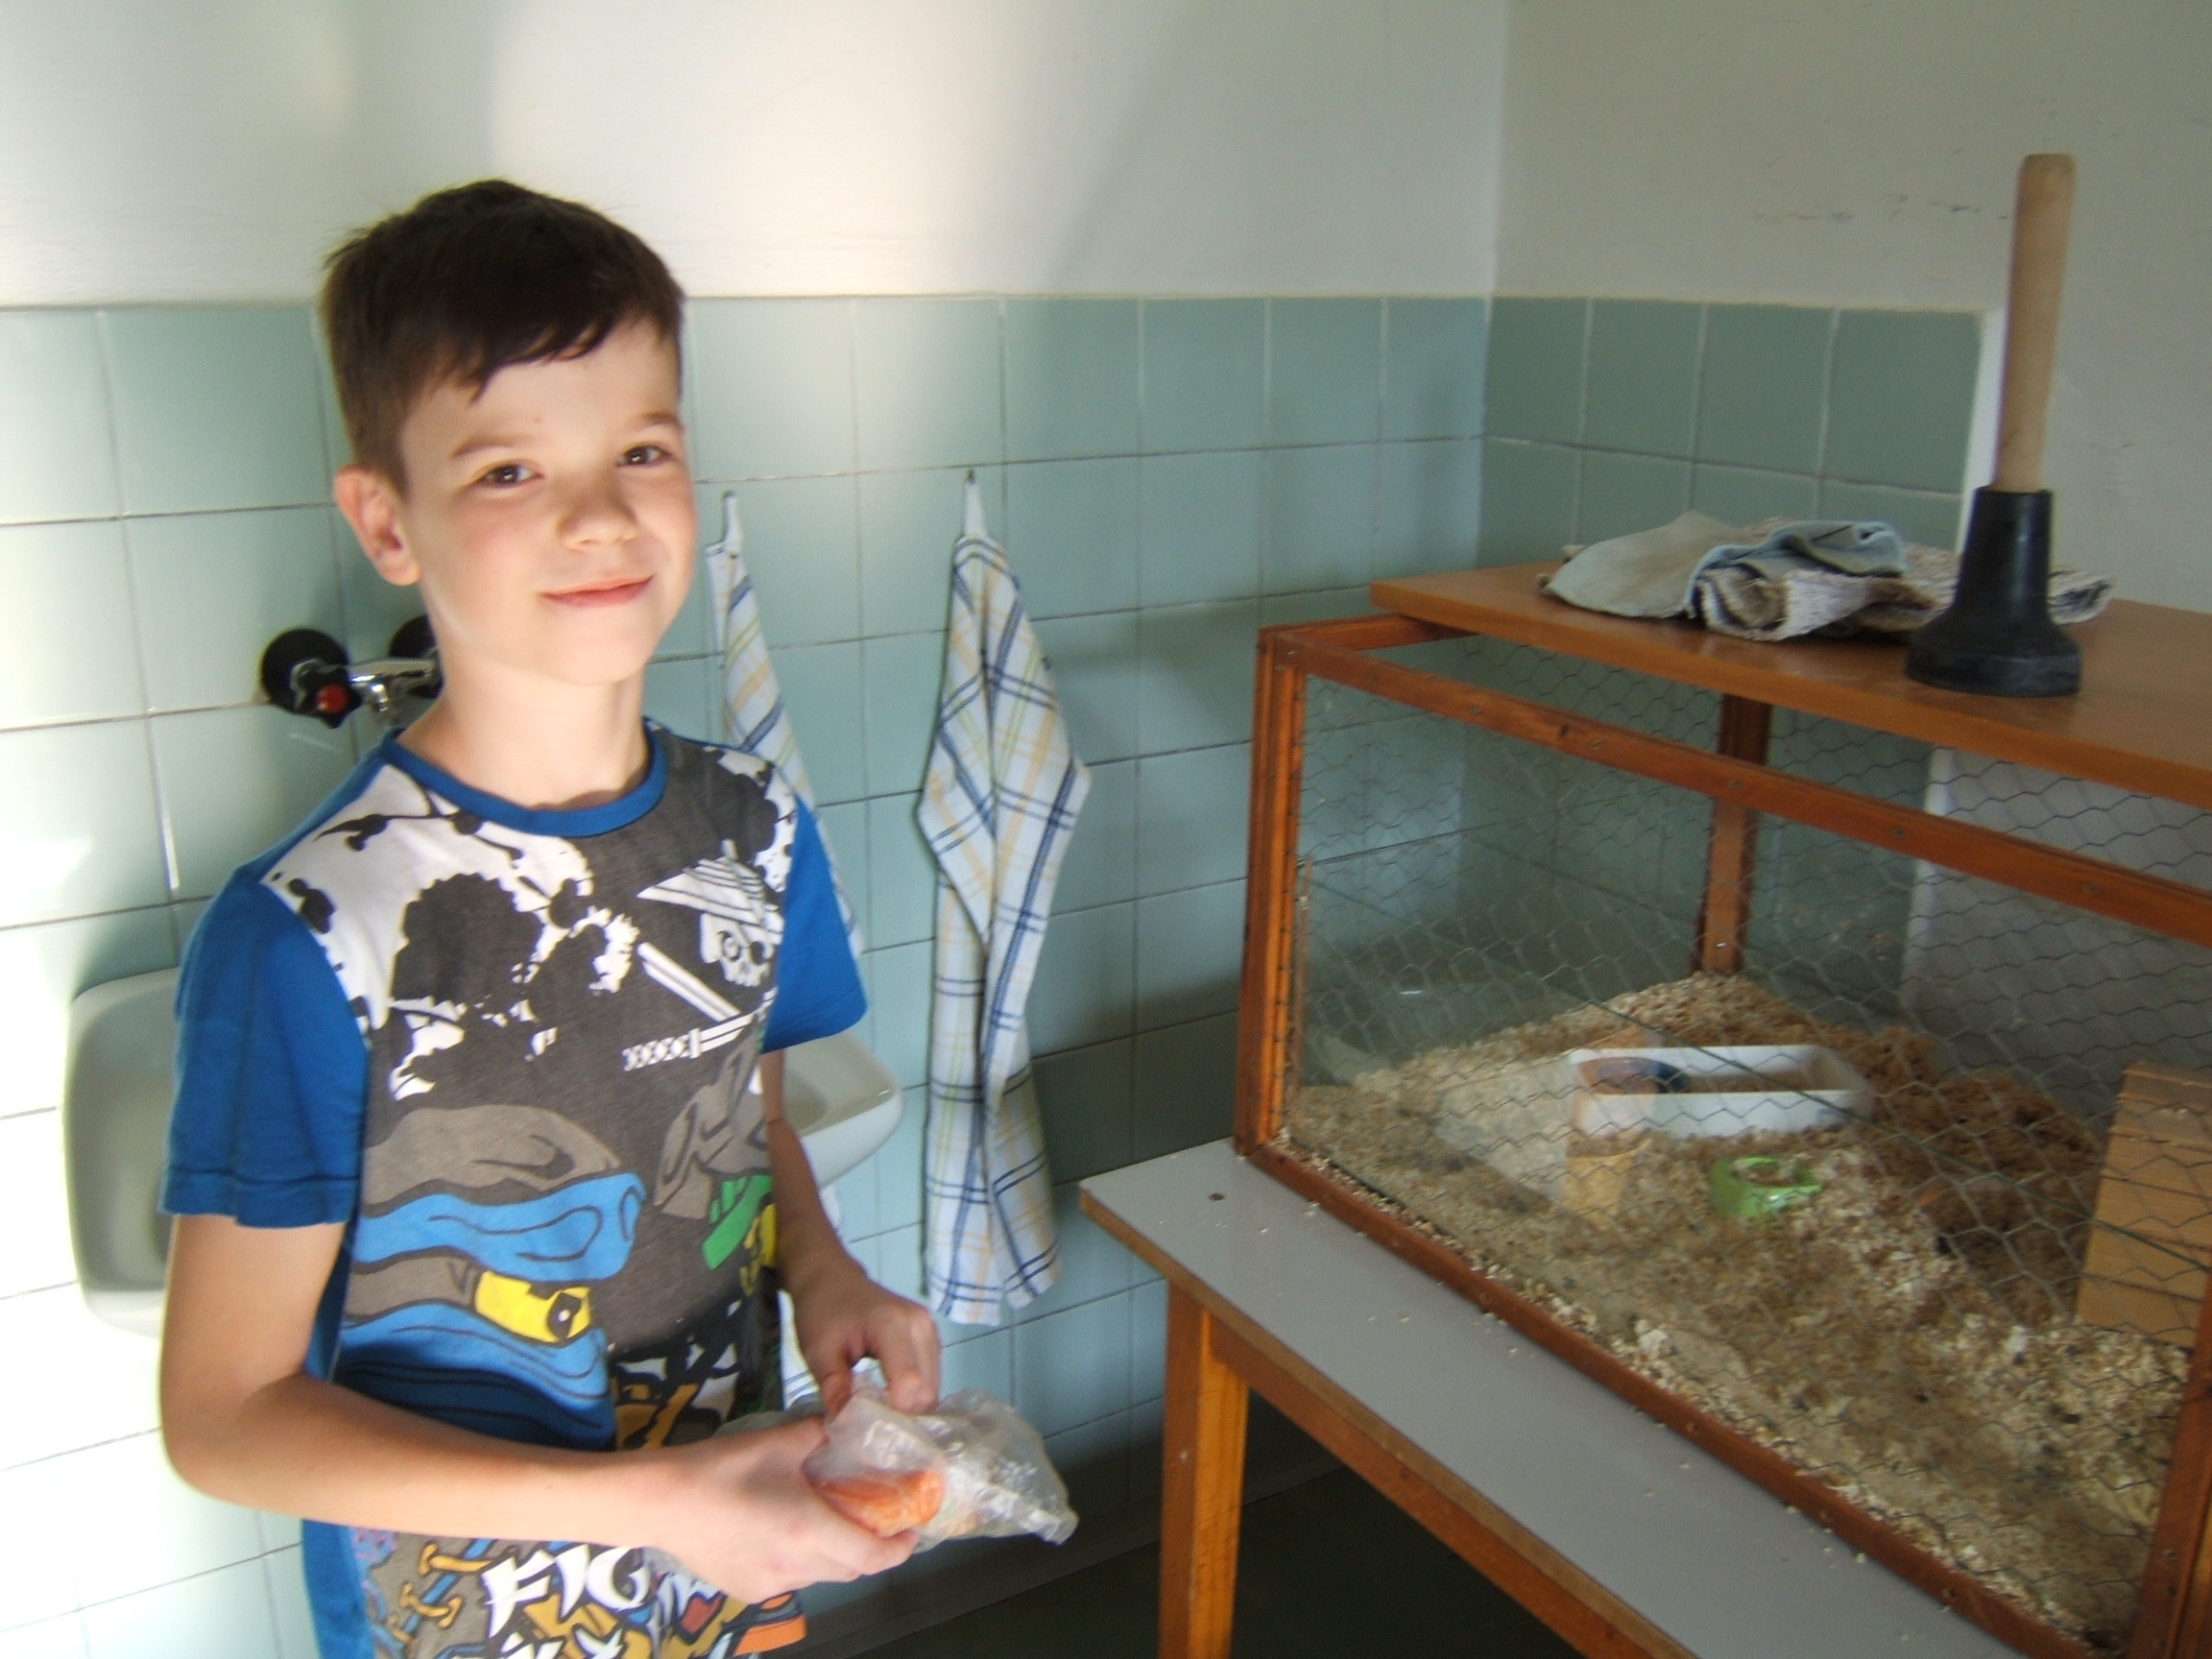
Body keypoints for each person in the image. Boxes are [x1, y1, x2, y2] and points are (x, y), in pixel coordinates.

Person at [157, 179, 939, 1659]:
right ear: (386, 522)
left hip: (721, 1568)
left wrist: (824, 1269)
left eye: (641, 449)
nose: (601, 515)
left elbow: (747, 1122)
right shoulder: (310, 935)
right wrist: (654, 1504)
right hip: (467, 1620)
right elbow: (224, 1417)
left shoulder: (753, 826)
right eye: (509, 470)